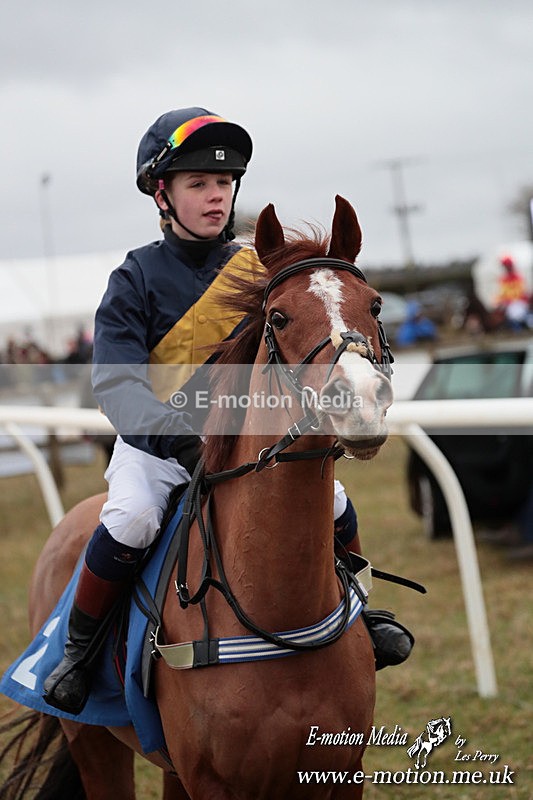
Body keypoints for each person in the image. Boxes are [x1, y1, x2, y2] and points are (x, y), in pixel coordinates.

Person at [43, 107, 412, 715]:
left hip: (246, 442)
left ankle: (360, 614)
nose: (215, 196)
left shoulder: (261, 270)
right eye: (197, 184)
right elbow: (116, 382)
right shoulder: (133, 277)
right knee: (131, 516)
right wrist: (176, 439)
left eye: (223, 184)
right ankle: (78, 653)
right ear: (161, 194)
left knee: (338, 503)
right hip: (159, 448)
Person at [494, 254, 530, 331]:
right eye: (505, 266)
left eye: (508, 266)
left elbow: (522, 291)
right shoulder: (503, 279)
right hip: (509, 304)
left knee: (518, 313)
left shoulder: (518, 277)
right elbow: (503, 293)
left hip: (519, 302)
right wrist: (500, 301)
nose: (507, 268)